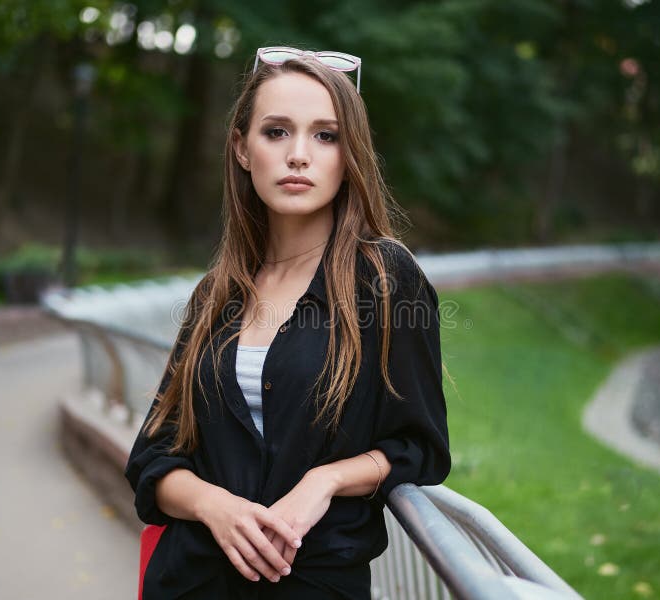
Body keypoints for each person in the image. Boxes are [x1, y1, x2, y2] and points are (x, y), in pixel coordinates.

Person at [125, 45, 451, 599]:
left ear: (350, 155)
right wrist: (216, 506)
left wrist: (324, 481)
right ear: (242, 149)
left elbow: (421, 448)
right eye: (276, 132)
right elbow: (154, 457)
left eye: (325, 135)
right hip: (191, 582)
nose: (299, 154)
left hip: (314, 583)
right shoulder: (215, 295)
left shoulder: (386, 279)